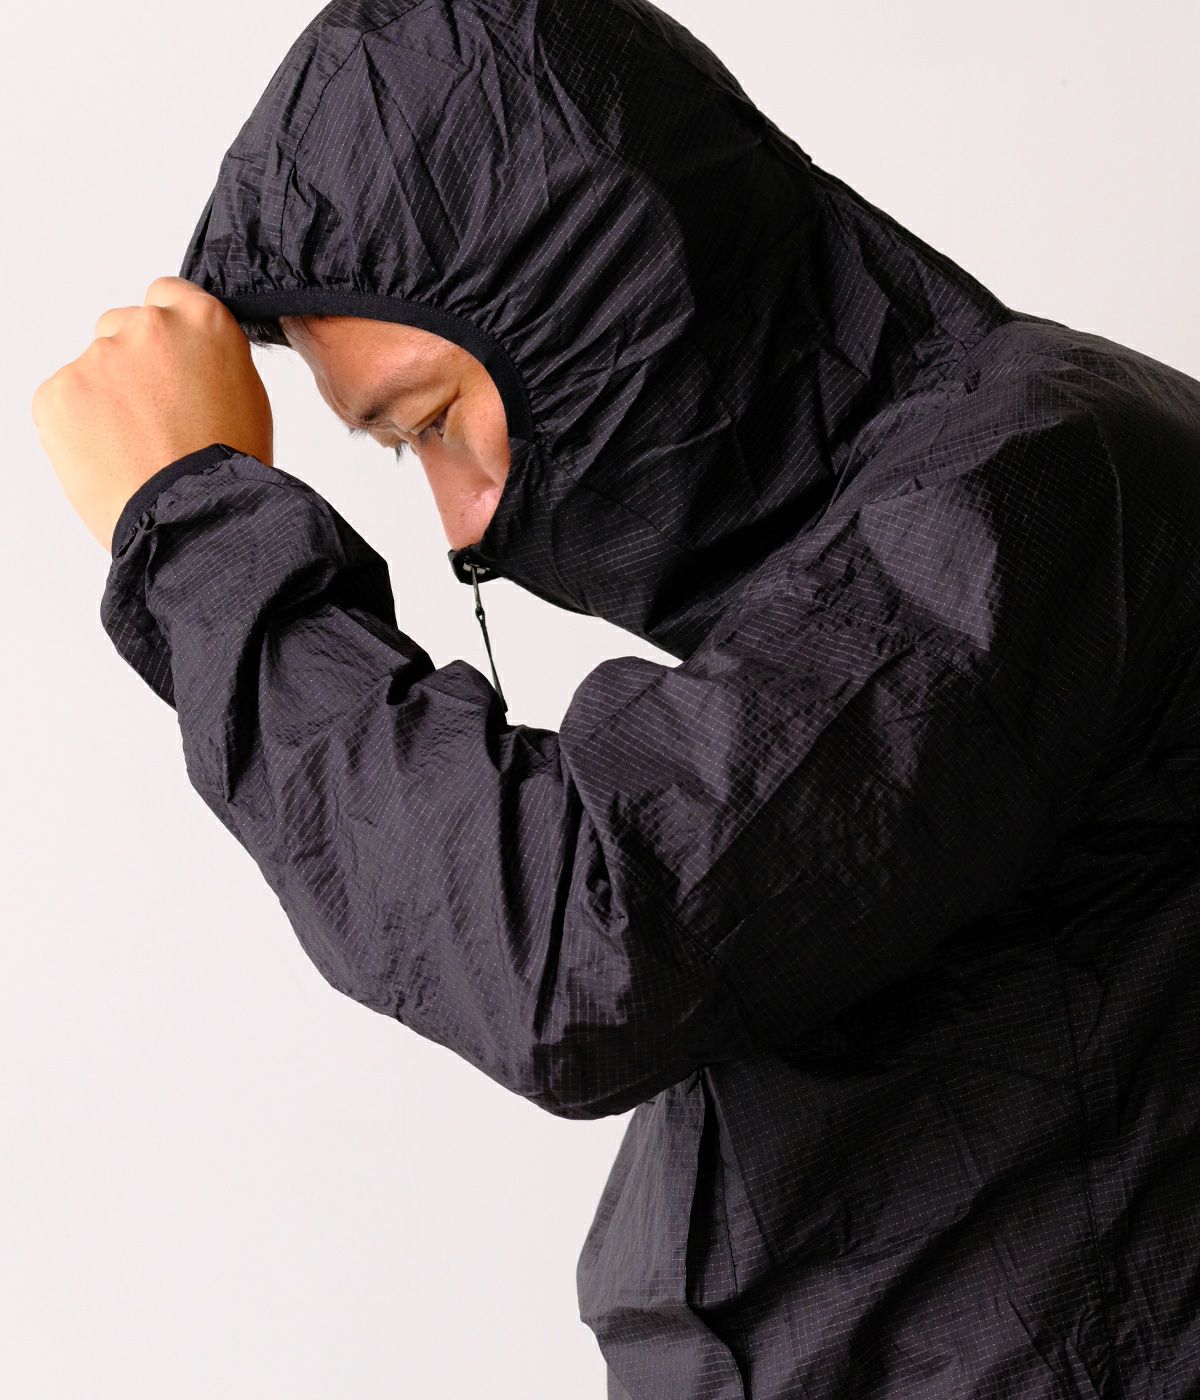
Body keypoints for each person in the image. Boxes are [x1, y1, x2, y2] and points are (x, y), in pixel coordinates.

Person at [31, 1, 1200, 1396]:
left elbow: (590, 951)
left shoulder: (1036, 482)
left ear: (607, 298)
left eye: (433, 422)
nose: (463, 525)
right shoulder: (881, 558)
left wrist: (195, 528)